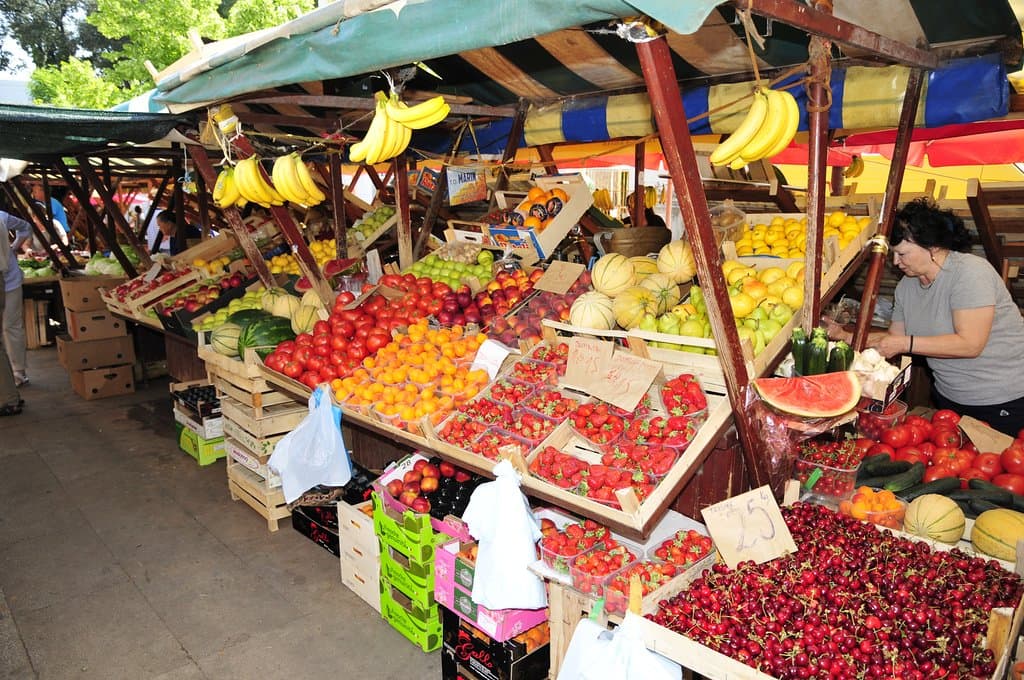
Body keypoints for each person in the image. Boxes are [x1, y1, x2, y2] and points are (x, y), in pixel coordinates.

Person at [825, 198, 1024, 437]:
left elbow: (971, 344)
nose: (896, 263)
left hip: (1002, 399)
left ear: (932, 246)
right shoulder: (906, 287)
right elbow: (893, 340)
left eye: (902, 253)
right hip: (950, 399)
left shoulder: (970, 273)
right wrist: (843, 335)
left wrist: (906, 343)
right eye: (893, 255)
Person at [0, 209, 31, 415]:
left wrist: (13, 247)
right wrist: (13, 247)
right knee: (11, 327)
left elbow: (26, 228)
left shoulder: (2, 216)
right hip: (8, 279)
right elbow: (26, 227)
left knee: (10, 327)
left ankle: (18, 374)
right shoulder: (2, 216)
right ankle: (17, 375)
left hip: (7, 280)